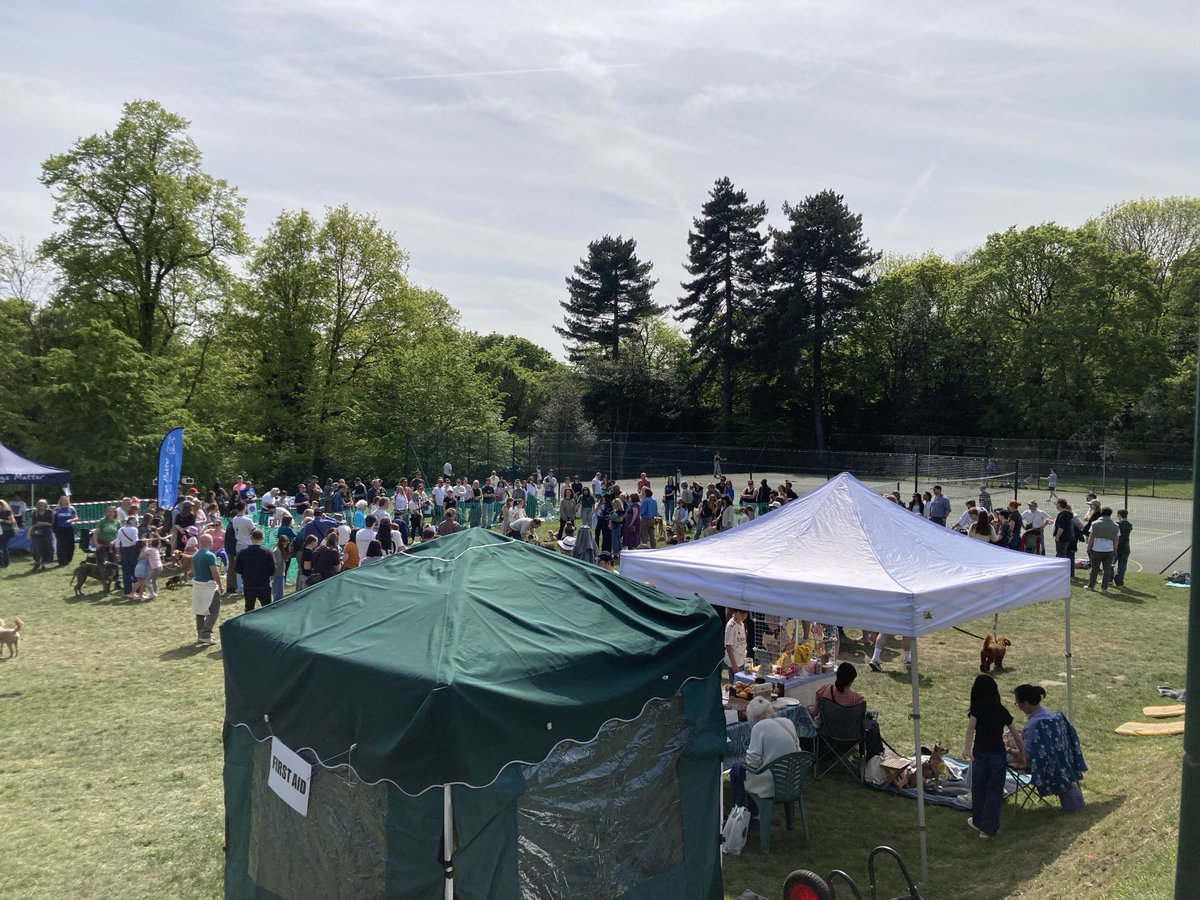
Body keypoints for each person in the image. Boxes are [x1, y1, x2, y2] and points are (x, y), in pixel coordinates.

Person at [964, 674, 1024, 839]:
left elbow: (970, 729)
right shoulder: (1001, 710)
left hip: (980, 753)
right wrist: (1022, 754)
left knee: (978, 788)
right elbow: (1016, 735)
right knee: (994, 791)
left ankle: (977, 821)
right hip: (998, 753)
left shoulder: (977, 709)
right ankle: (988, 829)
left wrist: (967, 748)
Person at [1012, 684, 1085, 812]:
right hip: (1063, 761)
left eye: (1018, 704)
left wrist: (1008, 748)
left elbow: (1027, 755)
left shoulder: (1034, 724)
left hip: (1042, 765)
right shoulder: (1053, 717)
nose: (1018, 707)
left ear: (1027, 704)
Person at [729, 696, 801, 818]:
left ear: (752, 716)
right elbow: (797, 749)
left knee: (737, 770)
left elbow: (752, 763)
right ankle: (752, 810)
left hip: (771, 784)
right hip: (792, 780)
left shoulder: (759, 727)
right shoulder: (787, 722)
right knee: (747, 770)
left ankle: (742, 812)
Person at [191, 534, 224, 646]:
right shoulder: (210, 556)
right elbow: (214, 572)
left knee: (200, 610)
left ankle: (201, 633)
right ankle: (205, 634)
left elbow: (194, 571)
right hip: (208, 586)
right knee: (213, 610)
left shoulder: (195, 555)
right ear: (210, 543)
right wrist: (220, 585)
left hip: (197, 585)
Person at [235, 529, 276, 612]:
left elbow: (238, 569)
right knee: (267, 609)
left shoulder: (243, 553)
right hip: (263, 584)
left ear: (251, 538)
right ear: (262, 538)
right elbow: (273, 569)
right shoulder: (267, 552)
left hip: (248, 584)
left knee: (249, 608)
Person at [1087, 506, 1120, 592]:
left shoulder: (1095, 523)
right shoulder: (1115, 525)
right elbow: (1116, 539)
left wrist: (1089, 547)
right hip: (1109, 550)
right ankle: (1104, 588)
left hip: (1097, 549)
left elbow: (1091, 536)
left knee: (1094, 569)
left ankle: (1091, 586)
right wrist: (1115, 549)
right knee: (1107, 570)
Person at [1052, 499, 1078, 576]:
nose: (1056, 505)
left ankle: (1060, 572)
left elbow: (1061, 527)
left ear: (1059, 504)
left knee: (1060, 554)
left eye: (1056, 504)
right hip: (1066, 538)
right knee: (1062, 554)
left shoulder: (1063, 514)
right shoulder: (1066, 514)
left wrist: (1057, 537)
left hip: (1062, 538)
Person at [52, 495, 78, 566]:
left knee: (70, 544)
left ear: (67, 501)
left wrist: (71, 520)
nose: (64, 502)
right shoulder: (57, 509)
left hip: (69, 528)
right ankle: (61, 560)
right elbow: (53, 518)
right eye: (62, 500)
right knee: (61, 545)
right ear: (60, 501)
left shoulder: (71, 509)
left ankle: (68, 559)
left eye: (65, 500)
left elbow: (76, 518)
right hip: (60, 529)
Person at [724, 609, 748, 678]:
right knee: (735, 685)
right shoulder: (731, 626)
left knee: (742, 683)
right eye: (742, 614)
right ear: (735, 612)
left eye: (746, 614)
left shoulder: (742, 624)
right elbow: (728, 646)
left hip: (742, 660)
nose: (744, 616)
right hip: (735, 661)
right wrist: (734, 664)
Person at [1114, 509, 1133, 588]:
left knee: (1110, 564)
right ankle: (1119, 582)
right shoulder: (1129, 525)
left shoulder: (1117, 524)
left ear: (1119, 515)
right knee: (1122, 566)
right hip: (1125, 546)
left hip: (1117, 546)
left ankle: (1109, 579)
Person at [0, 498, 15, 569]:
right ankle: (1, 562)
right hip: (0, 531)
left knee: (4, 547)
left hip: (6, 531)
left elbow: (12, 522)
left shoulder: (7, 512)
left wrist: (2, 521)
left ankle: (6, 563)